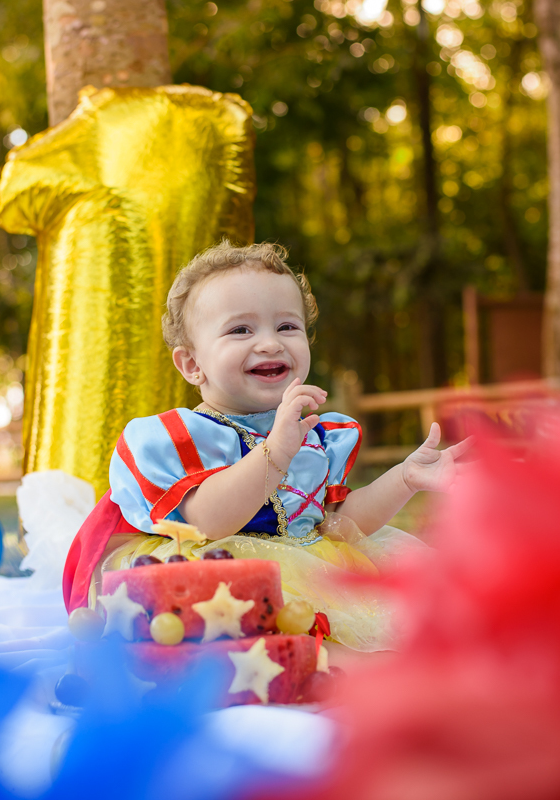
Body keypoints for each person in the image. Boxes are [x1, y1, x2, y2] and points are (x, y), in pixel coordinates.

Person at [65, 242, 467, 651]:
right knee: (256, 628)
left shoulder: (319, 434)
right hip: (220, 571)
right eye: (241, 329)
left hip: (309, 566)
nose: (270, 343)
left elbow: (339, 525)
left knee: (409, 615)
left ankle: (368, 668)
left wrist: (404, 478)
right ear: (192, 364)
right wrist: (275, 451)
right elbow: (206, 521)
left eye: (287, 327)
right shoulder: (183, 437)